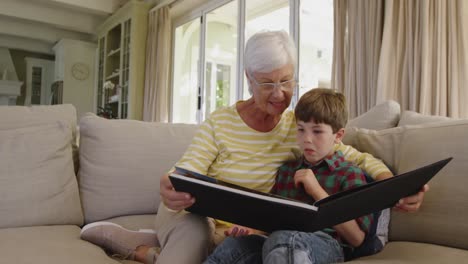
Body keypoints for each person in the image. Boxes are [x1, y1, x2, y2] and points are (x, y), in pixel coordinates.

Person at [80, 30, 428, 264]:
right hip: (198, 217)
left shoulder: (298, 127)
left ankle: (147, 250)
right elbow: (186, 171)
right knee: (193, 242)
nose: (279, 94)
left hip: (253, 234)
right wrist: (169, 184)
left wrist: (394, 184)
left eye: (286, 81)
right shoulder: (221, 122)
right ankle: (152, 245)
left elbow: (352, 154)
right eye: (267, 84)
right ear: (248, 78)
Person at [204, 88, 382, 264]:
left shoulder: (350, 174)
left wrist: (317, 191)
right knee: (234, 246)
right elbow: (272, 221)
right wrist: (250, 230)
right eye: (301, 130)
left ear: (338, 136)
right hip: (277, 240)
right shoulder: (287, 171)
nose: (307, 139)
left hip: (325, 244)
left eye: (317, 131)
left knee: (285, 240)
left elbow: (357, 239)